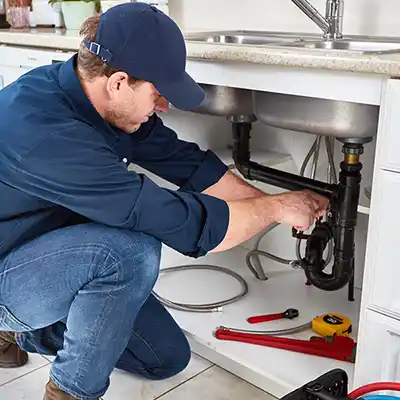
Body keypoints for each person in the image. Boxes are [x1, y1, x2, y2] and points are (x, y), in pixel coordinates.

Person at [0, 3, 328, 399]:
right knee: (129, 253)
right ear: (119, 82)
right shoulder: (46, 132)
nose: (163, 106)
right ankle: (67, 389)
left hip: (51, 250)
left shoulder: (98, 99)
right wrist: (274, 209)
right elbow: (181, 224)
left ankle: (29, 328)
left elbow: (186, 163)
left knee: (165, 357)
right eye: (157, 93)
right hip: (8, 266)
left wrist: (273, 200)